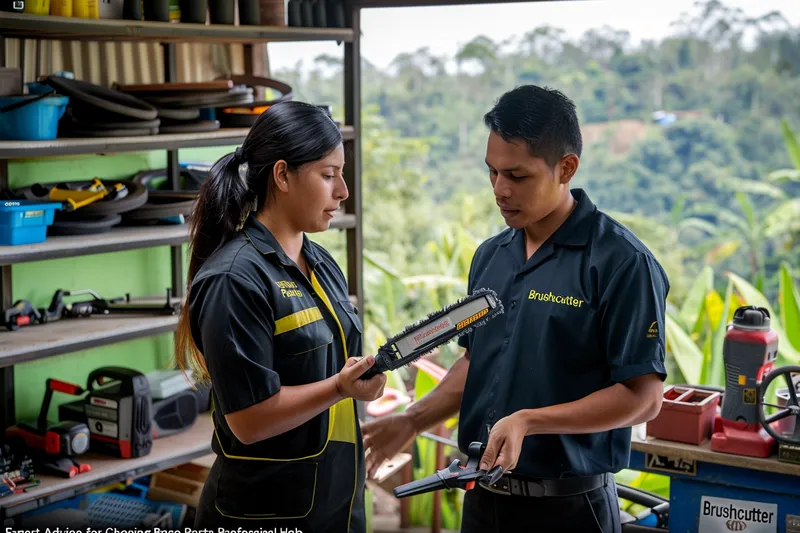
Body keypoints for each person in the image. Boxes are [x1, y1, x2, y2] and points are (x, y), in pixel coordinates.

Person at [362, 85, 669, 533]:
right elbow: (478, 361)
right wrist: (413, 419)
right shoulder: (492, 255)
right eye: (492, 173)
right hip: (484, 505)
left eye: (518, 176)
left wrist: (532, 421)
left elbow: (644, 397)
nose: (500, 190)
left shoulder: (620, 262)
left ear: (566, 168)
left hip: (570, 510)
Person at [174, 101, 387, 532]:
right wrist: (338, 387)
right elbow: (248, 421)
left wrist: (362, 380)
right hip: (266, 513)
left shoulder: (320, 261)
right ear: (283, 175)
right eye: (328, 175)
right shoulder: (235, 278)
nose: (343, 191)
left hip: (337, 507)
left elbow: (334, 367)